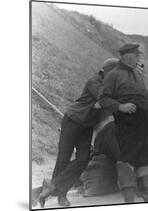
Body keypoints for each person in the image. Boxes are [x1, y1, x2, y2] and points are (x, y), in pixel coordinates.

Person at [38, 58, 119, 208]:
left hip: (87, 125)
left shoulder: (108, 84)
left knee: (83, 158)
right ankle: (61, 195)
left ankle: (53, 185)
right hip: (73, 120)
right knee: (64, 157)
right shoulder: (94, 81)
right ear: (107, 71)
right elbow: (104, 98)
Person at [98, 43, 148, 203]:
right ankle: (129, 195)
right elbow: (103, 99)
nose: (139, 58)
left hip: (145, 120)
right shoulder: (113, 75)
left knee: (145, 157)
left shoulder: (137, 74)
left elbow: (144, 94)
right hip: (128, 121)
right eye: (136, 55)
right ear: (126, 56)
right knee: (127, 157)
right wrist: (121, 106)